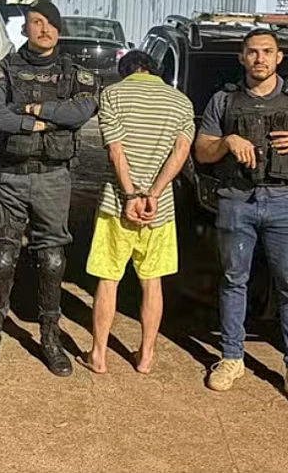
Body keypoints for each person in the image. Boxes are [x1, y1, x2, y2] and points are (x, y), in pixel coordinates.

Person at [194, 28, 288, 414]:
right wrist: (227, 142)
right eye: (253, 52)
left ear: (279, 58)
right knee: (233, 281)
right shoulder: (224, 99)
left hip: (285, 202)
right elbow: (202, 151)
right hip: (237, 200)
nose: (260, 58)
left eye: (267, 52)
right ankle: (231, 358)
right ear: (242, 58)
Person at [0, 0, 99, 378]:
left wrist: (38, 111)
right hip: (10, 175)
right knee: (2, 257)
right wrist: (31, 125)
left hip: (54, 177)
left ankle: (50, 336)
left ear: (59, 29)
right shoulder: (3, 71)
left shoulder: (75, 74)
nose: (44, 29)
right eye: (36, 22)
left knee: (52, 260)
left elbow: (82, 111)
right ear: (24, 28)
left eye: (50, 23)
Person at [81, 50, 195, 375]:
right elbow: (181, 152)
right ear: (153, 70)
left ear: (126, 71)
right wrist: (154, 193)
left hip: (117, 202)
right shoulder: (181, 101)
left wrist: (131, 193)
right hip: (160, 208)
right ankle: (146, 356)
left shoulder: (112, 95)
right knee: (151, 281)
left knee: (108, 278)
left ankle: (98, 355)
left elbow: (115, 151)